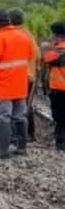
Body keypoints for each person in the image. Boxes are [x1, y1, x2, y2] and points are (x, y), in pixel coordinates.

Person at [0, 9, 34, 158]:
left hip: (2, 87)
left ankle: (3, 150)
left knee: (2, 118)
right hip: (20, 85)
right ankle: (21, 148)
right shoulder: (24, 37)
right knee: (20, 116)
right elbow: (29, 56)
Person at [9, 9, 41, 142]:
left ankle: (17, 136)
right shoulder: (28, 35)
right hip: (29, 76)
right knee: (26, 105)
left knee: (14, 107)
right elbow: (38, 56)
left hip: (17, 76)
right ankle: (30, 134)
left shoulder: (13, 35)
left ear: (9, 20)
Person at [41, 22, 65, 151]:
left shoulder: (58, 51)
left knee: (60, 117)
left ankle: (61, 143)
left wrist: (48, 46)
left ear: (57, 35)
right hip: (60, 89)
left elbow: (46, 57)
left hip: (60, 89)